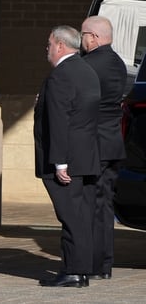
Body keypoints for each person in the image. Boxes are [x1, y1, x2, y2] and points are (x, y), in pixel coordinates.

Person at [34, 25, 100, 287]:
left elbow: (61, 121)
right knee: (81, 217)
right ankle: (81, 270)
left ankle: (74, 271)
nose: (47, 49)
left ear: (60, 45)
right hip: (86, 157)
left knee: (70, 217)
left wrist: (60, 162)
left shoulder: (61, 75)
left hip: (68, 161)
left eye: (49, 44)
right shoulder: (87, 71)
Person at [80, 16, 127, 280]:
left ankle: (94, 264)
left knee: (90, 206)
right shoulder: (118, 64)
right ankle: (105, 265)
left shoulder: (88, 66)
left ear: (94, 37)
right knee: (105, 206)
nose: (81, 39)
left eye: (83, 34)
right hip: (112, 143)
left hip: (94, 145)